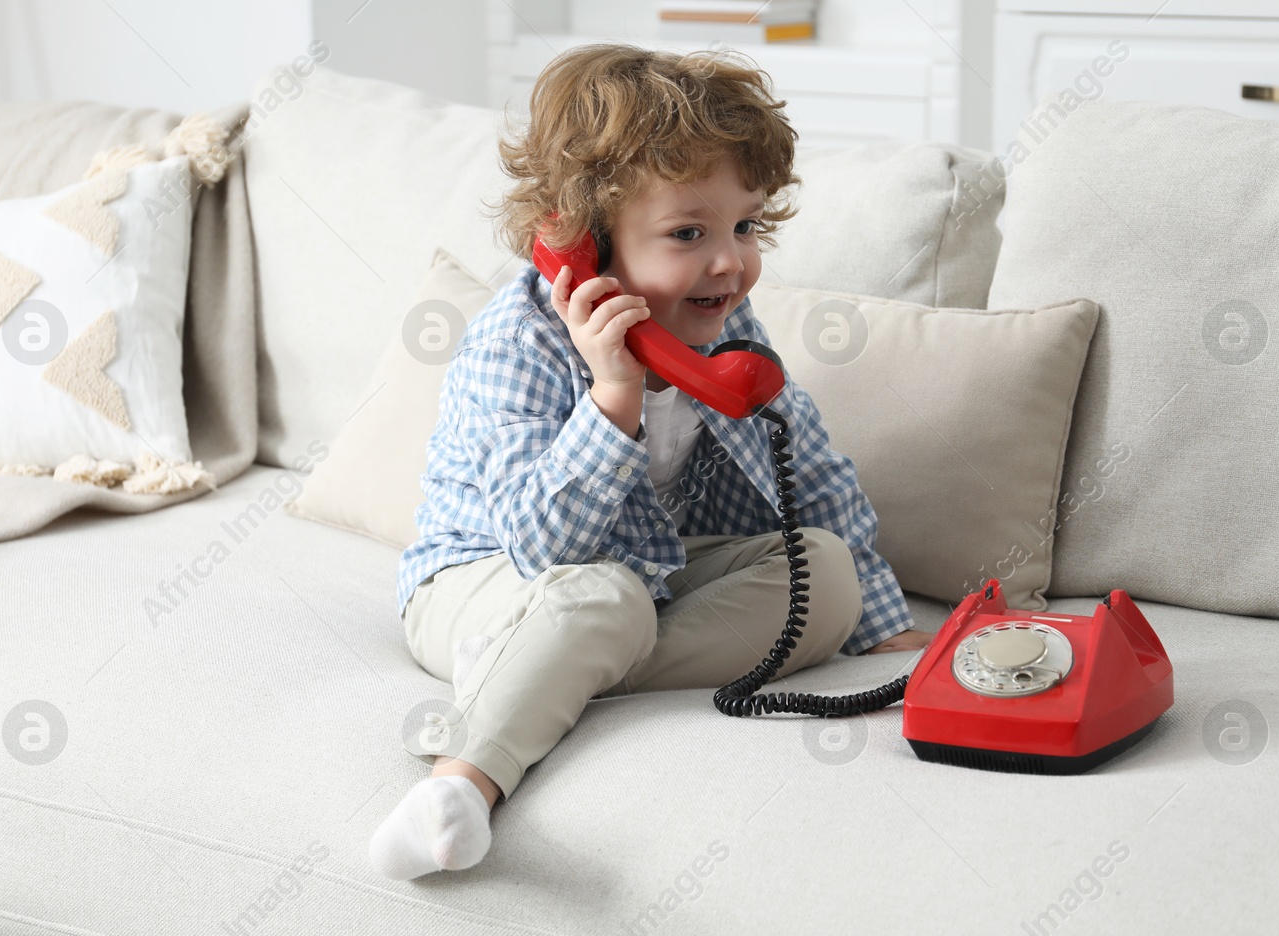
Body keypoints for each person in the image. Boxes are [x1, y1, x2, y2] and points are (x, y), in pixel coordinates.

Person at [369, 43, 934, 881]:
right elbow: (540, 546)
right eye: (687, 234)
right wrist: (613, 394)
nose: (728, 262)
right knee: (604, 591)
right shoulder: (516, 339)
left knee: (826, 572)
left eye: (743, 226)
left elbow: (813, 476)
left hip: (645, 585)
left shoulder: (730, 334)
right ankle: (467, 779)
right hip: (484, 578)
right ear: (585, 245)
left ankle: (559, 669)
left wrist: (889, 632)